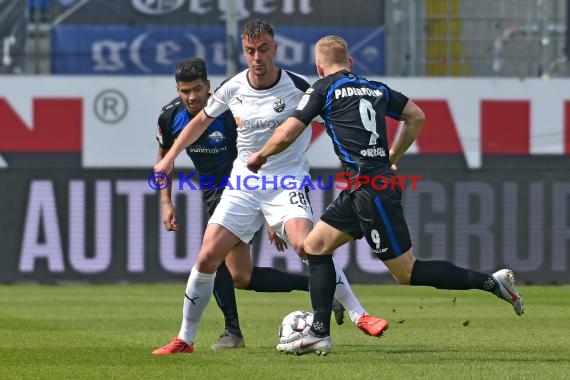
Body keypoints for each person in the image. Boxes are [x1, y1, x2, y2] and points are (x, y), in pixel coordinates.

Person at [247, 35, 524, 356]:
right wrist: (393, 155)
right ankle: (318, 331)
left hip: (370, 191)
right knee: (314, 247)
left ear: (319, 67)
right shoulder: (375, 87)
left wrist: (260, 155)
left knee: (406, 272)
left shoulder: (323, 88)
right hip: (365, 187)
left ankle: (492, 283)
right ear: (350, 63)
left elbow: (287, 131)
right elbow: (416, 116)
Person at [152, 33, 386, 355]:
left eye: (263, 49)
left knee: (308, 247)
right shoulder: (232, 88)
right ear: (244, 52)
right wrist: (169, 157)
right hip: (243, 185)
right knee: (208, 258)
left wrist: (363, 161)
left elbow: (336, 121)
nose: (257, 57)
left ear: (274, 49)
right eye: (250, 51)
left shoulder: (300, 86)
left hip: (286, 182)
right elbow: (200, 123)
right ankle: (185, 339)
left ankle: (361, 314)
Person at [154, 57, 325, 351]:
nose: (192, 97)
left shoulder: (230, 108)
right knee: (241, 277)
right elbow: (163, 159)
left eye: (197, 89)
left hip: (245, 185)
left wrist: (271, 213)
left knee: (211, 257)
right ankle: (316, 286)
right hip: (213, 191)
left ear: (208, 86)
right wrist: (166, 203)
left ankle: (229, 332)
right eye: (185, 91)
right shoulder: (169, 118)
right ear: (178, 90)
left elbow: (259, 149)